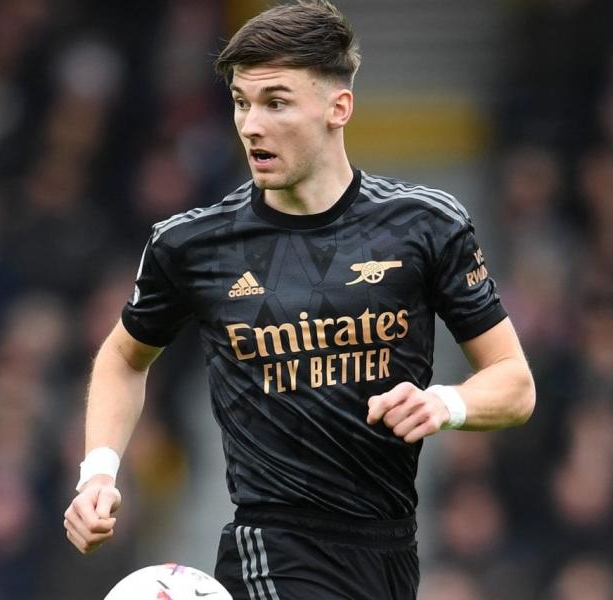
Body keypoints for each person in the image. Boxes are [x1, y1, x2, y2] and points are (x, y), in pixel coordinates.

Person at [63, 2, 536, 598]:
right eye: (241, 102)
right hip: (272, 545)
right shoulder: (191, 243)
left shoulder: (426, 226)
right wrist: (98, 473)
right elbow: (123, 357)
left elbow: (515, 384)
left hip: (388, 554)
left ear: (338, 108)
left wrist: (445, 403)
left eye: (276, 102)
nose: (251, 124)